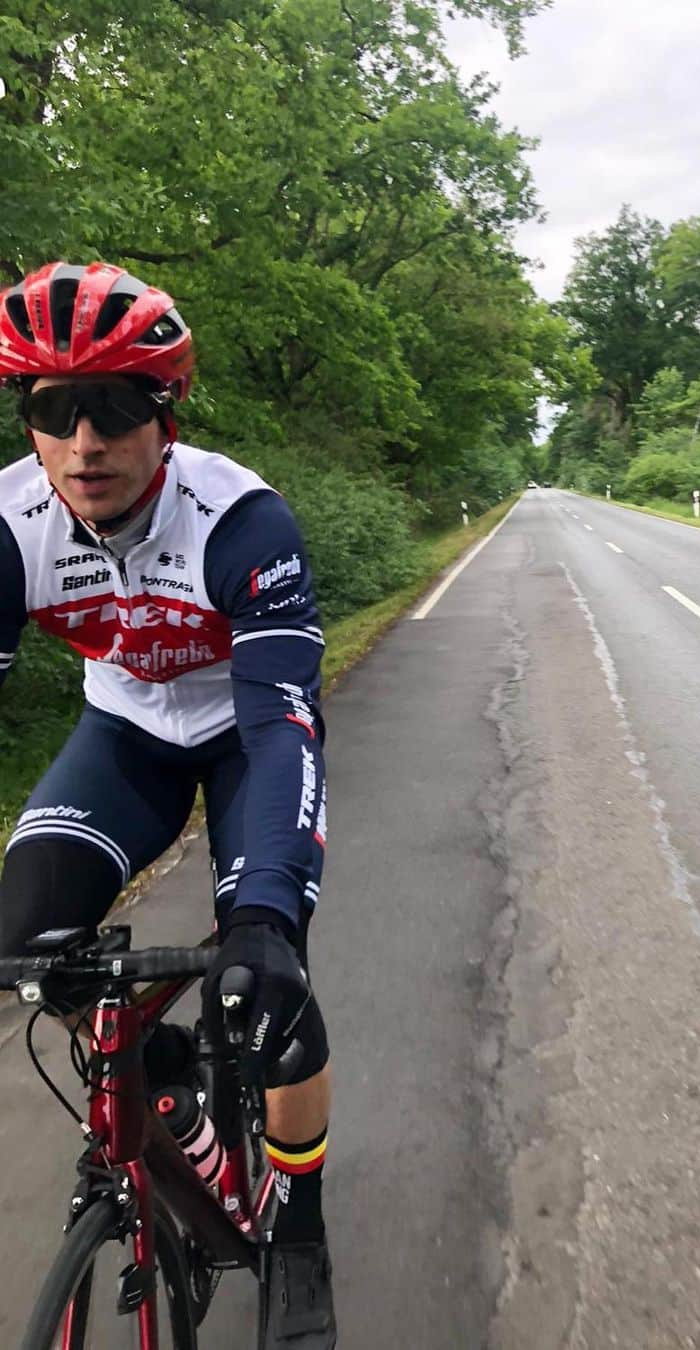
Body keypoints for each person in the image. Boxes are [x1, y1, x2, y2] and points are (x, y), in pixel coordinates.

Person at [0, 261, 336, 1348]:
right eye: (55, 411)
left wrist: (265, 918)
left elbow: (283, 718)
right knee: (28, 943)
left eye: (113, 407)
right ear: (30, 423)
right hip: (127, 738)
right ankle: (158, 1078)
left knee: (272, 995)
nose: (84, 443)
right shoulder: (11, 526)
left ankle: (299, 1231)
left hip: (245, 737)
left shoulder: (241, 519)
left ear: (165, 414)